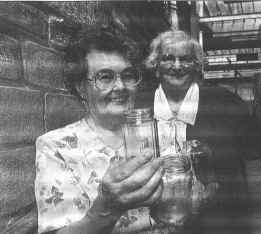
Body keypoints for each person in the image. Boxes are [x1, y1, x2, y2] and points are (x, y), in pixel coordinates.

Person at [35, 27, 172, 234]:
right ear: (81, 87)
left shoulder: (161, 133)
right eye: (105, 77)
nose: (120, 86)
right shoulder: (57, 147)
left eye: (127, 76)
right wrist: (105, 209)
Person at [144, 30, 261, 234]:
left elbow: (259, 146)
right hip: (154, 222)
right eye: (168, 58)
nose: (177, 66)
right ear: (156, 66)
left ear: (197, 66)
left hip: (218, 222)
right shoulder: (139, 107)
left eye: (186, 59)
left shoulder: (223, 101)